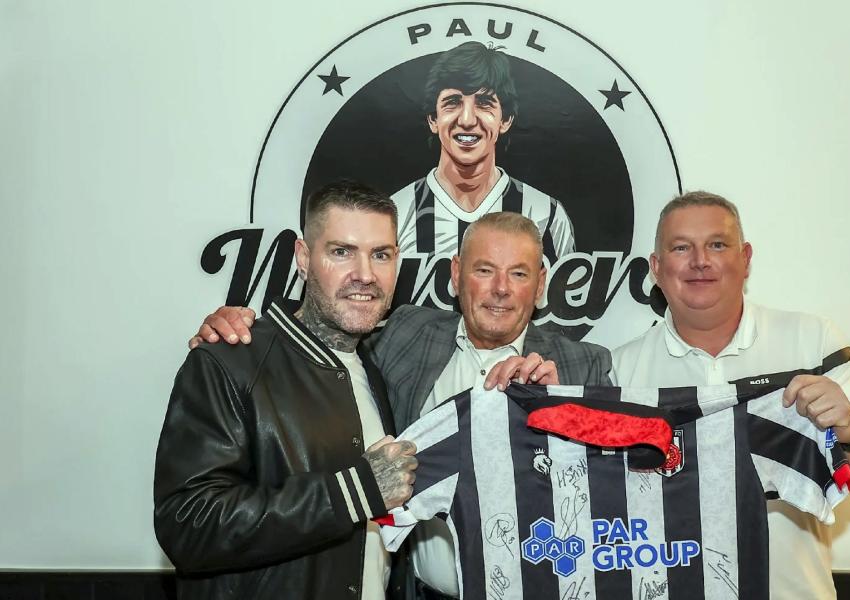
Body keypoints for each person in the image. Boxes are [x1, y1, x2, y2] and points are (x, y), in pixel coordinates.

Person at [191, 211, 611, 600]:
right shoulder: (404, 336)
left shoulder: (584, 364)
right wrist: (243, 335)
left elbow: (619, 497)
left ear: (539, 285)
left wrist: (566, 410)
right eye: (484, 270)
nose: (500, 289)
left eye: (518, 273)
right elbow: (324, 335)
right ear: (456, 274)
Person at [610, 191, 850, 599]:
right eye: (682, 247)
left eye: (717, 244)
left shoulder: (813, 342)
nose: (700, 260)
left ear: (745, 258)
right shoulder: (619, 371)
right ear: (657, 269)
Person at [155, 180, 419, 600]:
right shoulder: (229, 361)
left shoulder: (375, 371)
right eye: (341, 251)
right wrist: (353, 492)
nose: (365, 275)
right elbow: (189, 526)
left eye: (381, 255)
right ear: (303, 257)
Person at [392, 41, 576, 264]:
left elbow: (562, 298)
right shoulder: (396, 214)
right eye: (453, 102)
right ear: (433, 119)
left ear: (505, 120)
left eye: (484, 103)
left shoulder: (546, 214)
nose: (467, 120)